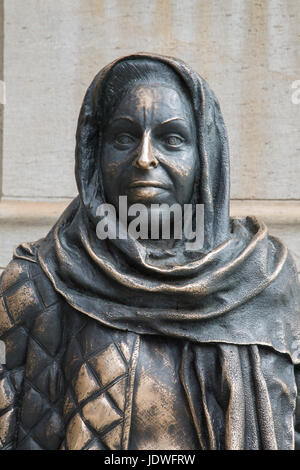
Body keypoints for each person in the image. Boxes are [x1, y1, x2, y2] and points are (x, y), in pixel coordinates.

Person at [0, 53, 300, 450]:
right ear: (94, 153)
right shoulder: (38, 280)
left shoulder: (266, 279)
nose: (144, 158)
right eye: (124, 137)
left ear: (205, 158)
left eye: (172, 139)